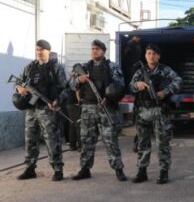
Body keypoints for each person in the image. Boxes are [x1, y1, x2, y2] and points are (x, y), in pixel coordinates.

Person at [70, 39, 127, 181]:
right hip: (88, 109)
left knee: (110, 141)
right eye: (92, 48)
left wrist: (109, 98)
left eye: (97, 48)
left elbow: (120, 86)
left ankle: (118, 169)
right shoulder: (83, 67)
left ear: (103, 51)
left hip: (106, 107)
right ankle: (85, 169)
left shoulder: (112, 67)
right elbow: (71, 85)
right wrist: (79, 80)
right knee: (86, 140)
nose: (94, 51)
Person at [129, 44, 182, 184]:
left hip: (160, 110)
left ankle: (164, 172)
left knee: (163, 143)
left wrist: (165, 92)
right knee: (142, 143)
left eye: (154, 53)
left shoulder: (165, 70)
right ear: (145, 55)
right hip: (142, 111)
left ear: (158, 56)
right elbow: (130, 86)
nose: (151, 56)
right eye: (148, 53)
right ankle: (142, 172)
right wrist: (137, 85)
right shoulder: (140, 72)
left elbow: (178, 81)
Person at [15, 40, 66, 181]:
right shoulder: (30, 67)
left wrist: (57, 101)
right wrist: (20, 88)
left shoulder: (56, 68)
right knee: (30, 140)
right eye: (37, 49)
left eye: (42, 50)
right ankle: (30, 169)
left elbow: (65, 89)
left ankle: (57, 169)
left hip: (47, 109)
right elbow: (18, 81)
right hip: (31, 110)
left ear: (48, 51)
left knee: (52, 140)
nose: (39, 52)